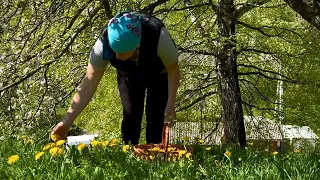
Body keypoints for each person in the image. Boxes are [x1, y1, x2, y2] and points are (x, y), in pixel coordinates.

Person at [51, 10, 180, 145]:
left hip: (159, 73)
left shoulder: (158, 36)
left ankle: (156, 157)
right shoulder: (102, 46)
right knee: (131, 114)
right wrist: (66, 122)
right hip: (128, 74)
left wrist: (170, 103)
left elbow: (173, 69)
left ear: (136, 45)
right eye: (114, 50)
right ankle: (129, 154)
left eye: (122, 52)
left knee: (156, 115)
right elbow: (88, 85)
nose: (117, 57)